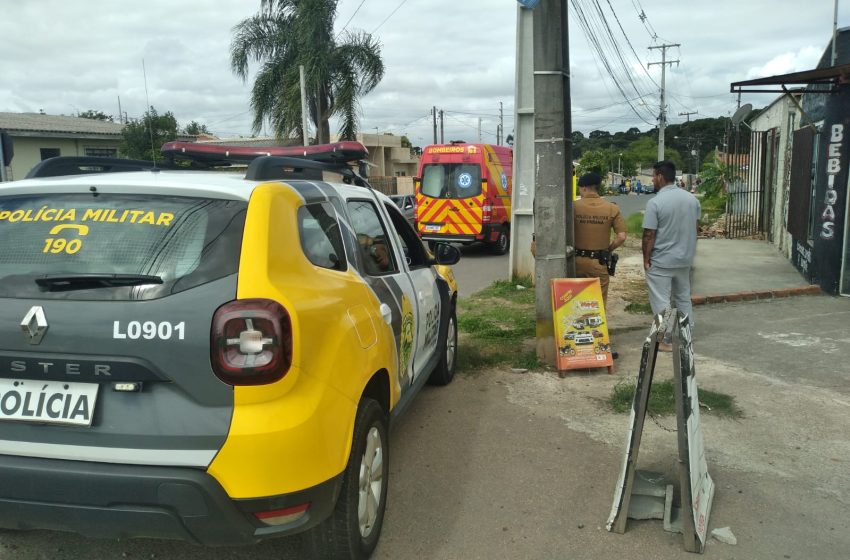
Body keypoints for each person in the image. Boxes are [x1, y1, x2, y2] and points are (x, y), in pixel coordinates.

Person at [642, 161, 701, 351]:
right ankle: (686, 334)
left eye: (653, 176)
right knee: (683, 297)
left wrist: (646, 258)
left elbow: (649, 234)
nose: (652, 179)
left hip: (661, 260)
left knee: (661, 300)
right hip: (684, 259)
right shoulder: (692, 200)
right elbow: (694, 228)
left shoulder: (655, 202)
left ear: (660, 176)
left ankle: (663, 338)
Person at [574, 172, 627, 358]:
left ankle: (574, 344)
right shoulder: (611, 208)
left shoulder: (573, 207)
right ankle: (598, 346)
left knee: (575, 303)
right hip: (599, 262)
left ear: (584, 188)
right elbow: (621, 236)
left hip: (575, 262)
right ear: (597, 188)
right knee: (597, 305)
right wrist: (608, 249)